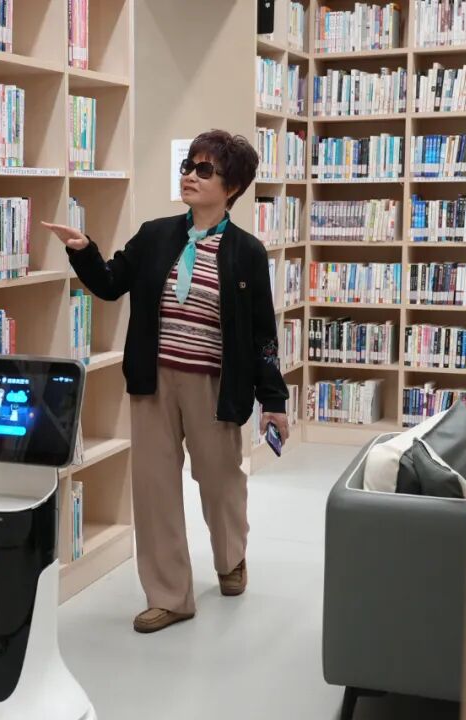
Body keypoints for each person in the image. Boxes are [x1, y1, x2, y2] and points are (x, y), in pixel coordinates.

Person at [42, 129, 289, 634]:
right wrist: (83, 251)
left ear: (232, 187)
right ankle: (169, 595)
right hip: (152, 382)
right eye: (188, 167)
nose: (190, 176)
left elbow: (262, 335)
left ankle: (230, 557)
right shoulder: (155, 235)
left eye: (205, 170)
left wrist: (274, 400)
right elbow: (111, 283)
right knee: (154, 490)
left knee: (220, 482)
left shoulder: (247, 252)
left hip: (214, 387)